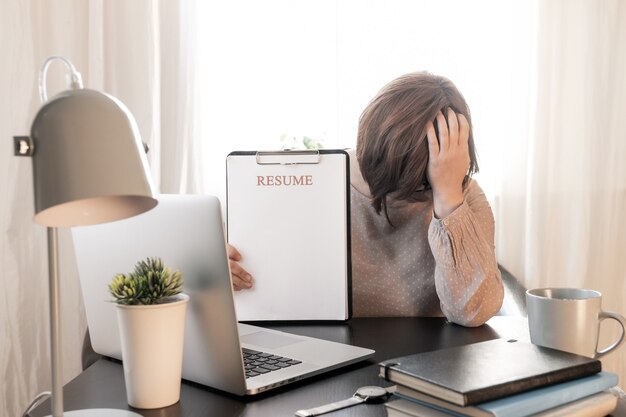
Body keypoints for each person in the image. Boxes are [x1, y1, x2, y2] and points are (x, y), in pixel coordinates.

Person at [228, 71, 503, 327]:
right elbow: (272, 295)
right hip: (324, 347)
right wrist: (224, 279)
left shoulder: (462, 195)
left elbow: (473, 311)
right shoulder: (318, 181)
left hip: (423, 362)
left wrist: (448, 198)